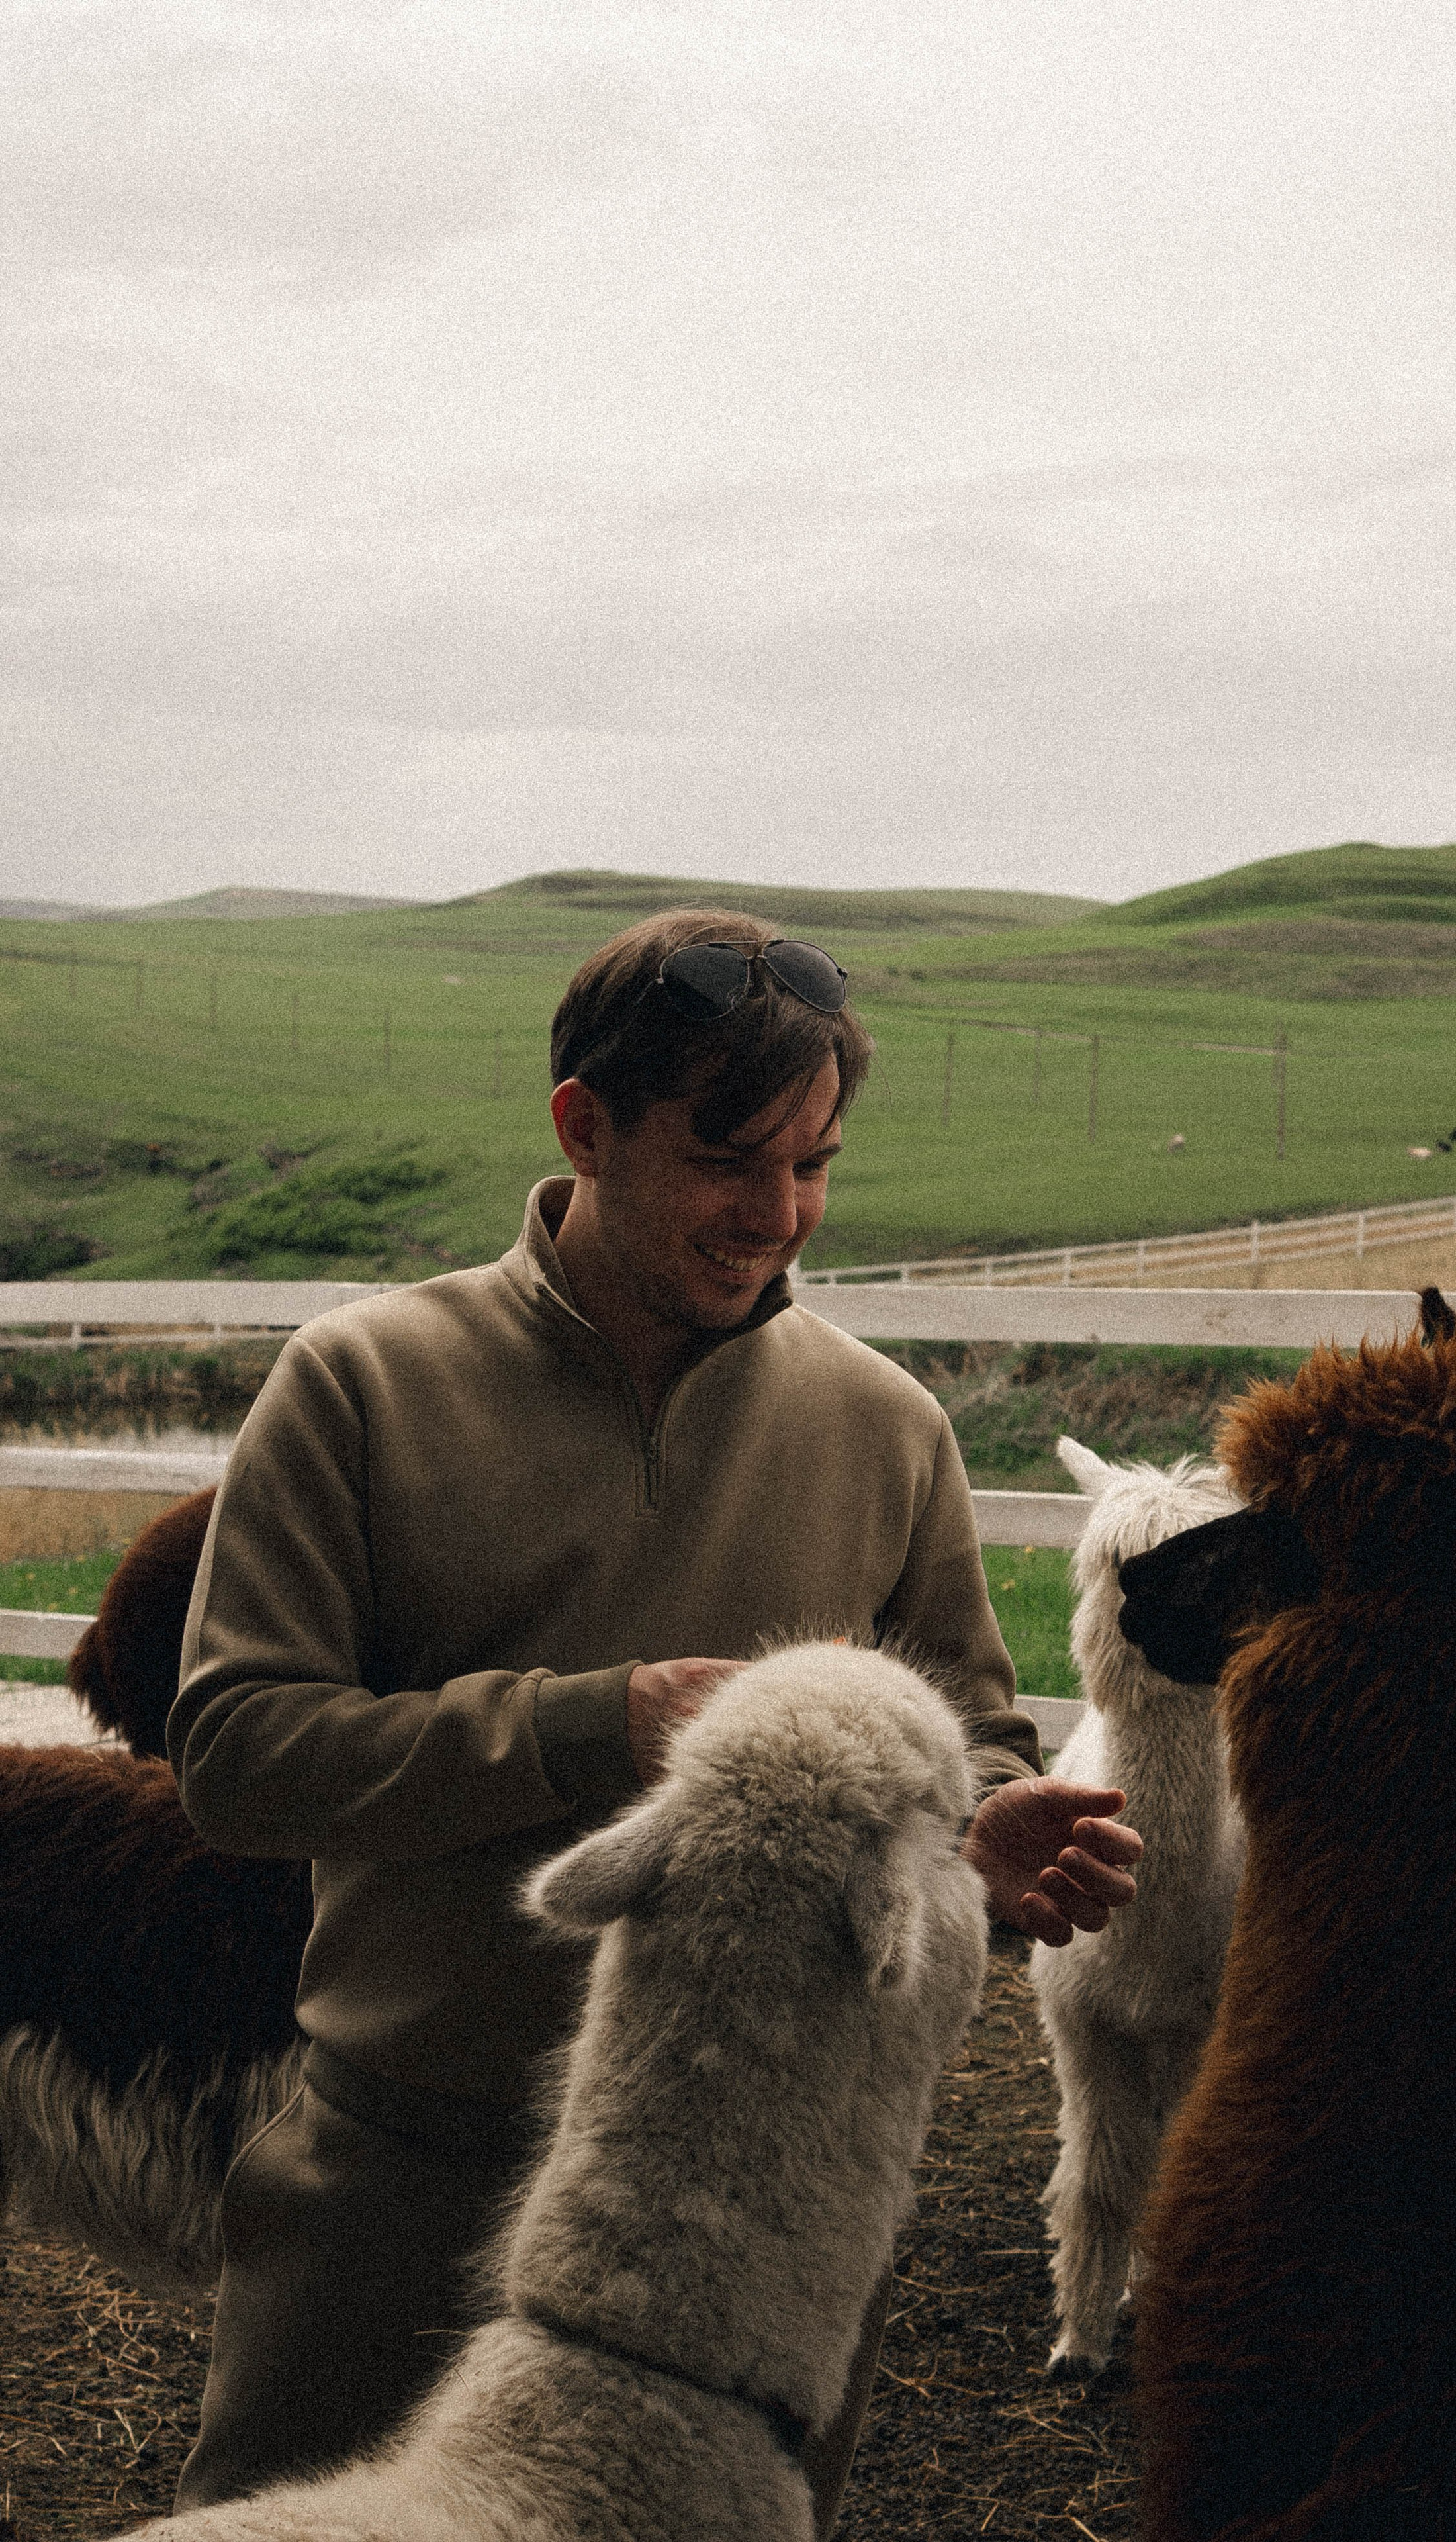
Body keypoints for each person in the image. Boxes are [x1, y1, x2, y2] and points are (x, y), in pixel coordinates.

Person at [169, 908, 1142, 2531]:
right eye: (725, 1156)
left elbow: (972, 1738)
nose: (777, 1215)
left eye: (814, 1163)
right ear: (583, 1125)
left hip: (756, 2234)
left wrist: (981, 1834)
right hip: (403, 2182)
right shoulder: (357, 1383)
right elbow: (236, 1757)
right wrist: (589, 1727)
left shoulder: (885, 1429)